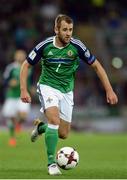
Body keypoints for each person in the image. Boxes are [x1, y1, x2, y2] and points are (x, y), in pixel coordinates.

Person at [20, 14, 118, 175]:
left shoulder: (77, 46)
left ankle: (40, 128)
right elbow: (25, 65)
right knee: (54, 119)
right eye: (64, 29)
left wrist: (109, 89)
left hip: (66, 91)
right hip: (47, 86)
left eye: (70, 30)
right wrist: (24, 89)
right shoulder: (45, 46)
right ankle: (51, 164)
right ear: (56, 29)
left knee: (63, 134)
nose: (68, 33)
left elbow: (97, 66)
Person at [2, 50, 33, 146]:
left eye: (22, 55)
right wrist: (9, 83)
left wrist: (31, 87)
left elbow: (30, 80)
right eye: (18, 55)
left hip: (23, 95)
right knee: (11, 118)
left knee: (23, 115)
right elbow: (4, 80)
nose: (20, 56)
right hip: (11, 96)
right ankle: (12, 138)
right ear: (15, 57)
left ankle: (18, 125)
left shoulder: (29, 67)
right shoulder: (11, 67)